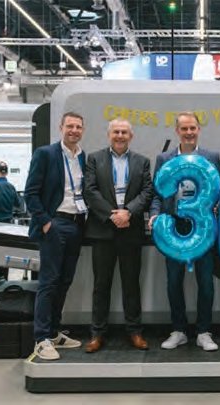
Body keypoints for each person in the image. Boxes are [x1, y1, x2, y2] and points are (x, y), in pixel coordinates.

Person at [149, 111, 220, 352]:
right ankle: (178, 330)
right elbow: (157, 193)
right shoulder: (164, 158)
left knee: (206, 282)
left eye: (193, 128)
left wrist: (218, 206)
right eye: (184, 128)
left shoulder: (212, 157)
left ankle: (204, 332)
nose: (189, 132)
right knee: (173, 281)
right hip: (174, 227)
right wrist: (154, 215)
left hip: (204, 229)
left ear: (198, 129)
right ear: (177, 131)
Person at [82, 119, 153, 353]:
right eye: (116, 132)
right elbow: (89, 191)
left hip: (131, 230)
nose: (120, 135)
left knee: (131, 284)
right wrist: (112, 215)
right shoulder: (94, 159)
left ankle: (135, 331)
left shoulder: (142, 161)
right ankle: (97, 333)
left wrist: (128, 212)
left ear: (131, 136)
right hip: (103, 230)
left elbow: (147, 192)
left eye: (124, 132)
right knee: (101, 285)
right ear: (109, 134)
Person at [24, 112, 88, 360]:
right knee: (49, 282)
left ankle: (53, 332)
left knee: (64, 281)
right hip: (55, 224)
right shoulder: (46, 154)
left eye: (78, 127)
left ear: (83, 130)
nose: (74, 130)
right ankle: (41, 338)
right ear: (61, 128)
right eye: (70, 126)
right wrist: (46, 222)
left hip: (76, 224)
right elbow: (31, 193)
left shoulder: (82, 157)